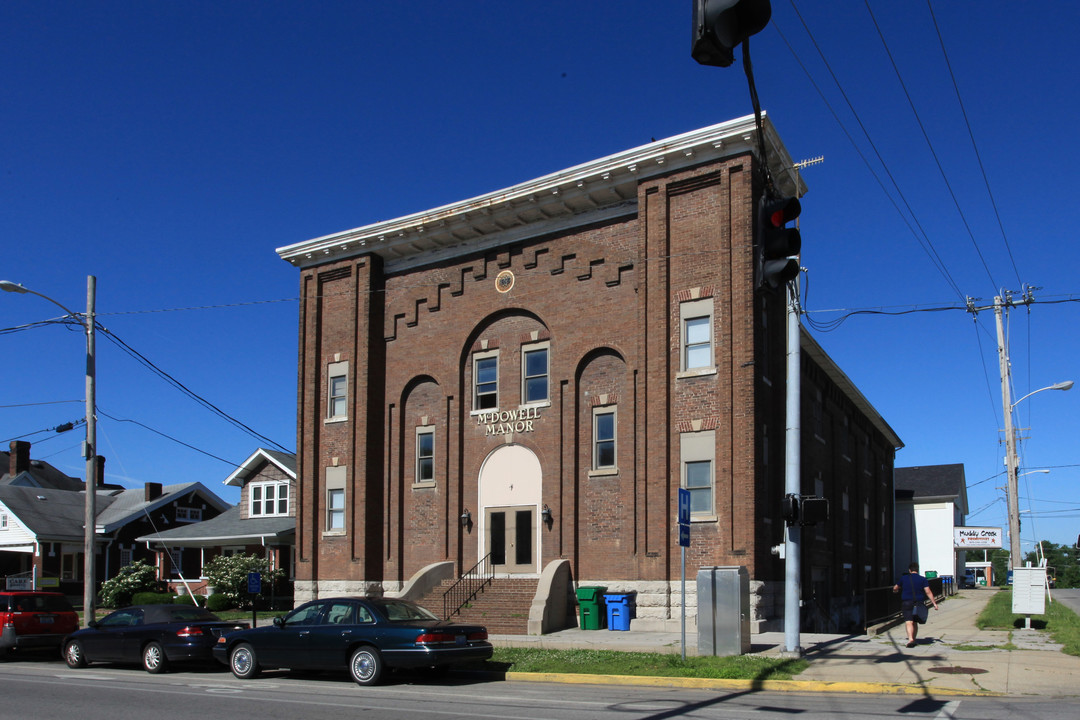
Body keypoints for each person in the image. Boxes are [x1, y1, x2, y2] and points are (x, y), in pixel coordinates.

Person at [893, 562, 939, 648]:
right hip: (918, 603)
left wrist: (895, 590)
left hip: (906, 602)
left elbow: (895, 587)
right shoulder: (923, 579)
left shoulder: (904, 578)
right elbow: (928, 591)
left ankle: (910, 639)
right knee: (915, 621)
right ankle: (914, 638)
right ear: (917, 570)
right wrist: (934, 603)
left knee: (908, 621)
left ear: (909, 570)